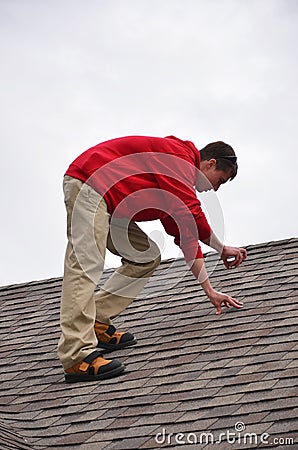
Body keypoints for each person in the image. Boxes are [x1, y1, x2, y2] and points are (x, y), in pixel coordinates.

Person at [58, 135, 247, 382]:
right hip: (91, 184)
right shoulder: (177, 158)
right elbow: (193, 214)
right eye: (219, 181)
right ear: (210, 164)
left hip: (110, 202)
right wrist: (221, 248)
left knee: (146, 256)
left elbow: (187, 235)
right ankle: (76, 356)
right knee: (86, 263)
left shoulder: (173, 186)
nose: (215, 189)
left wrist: (210, 291)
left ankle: (97, 320)